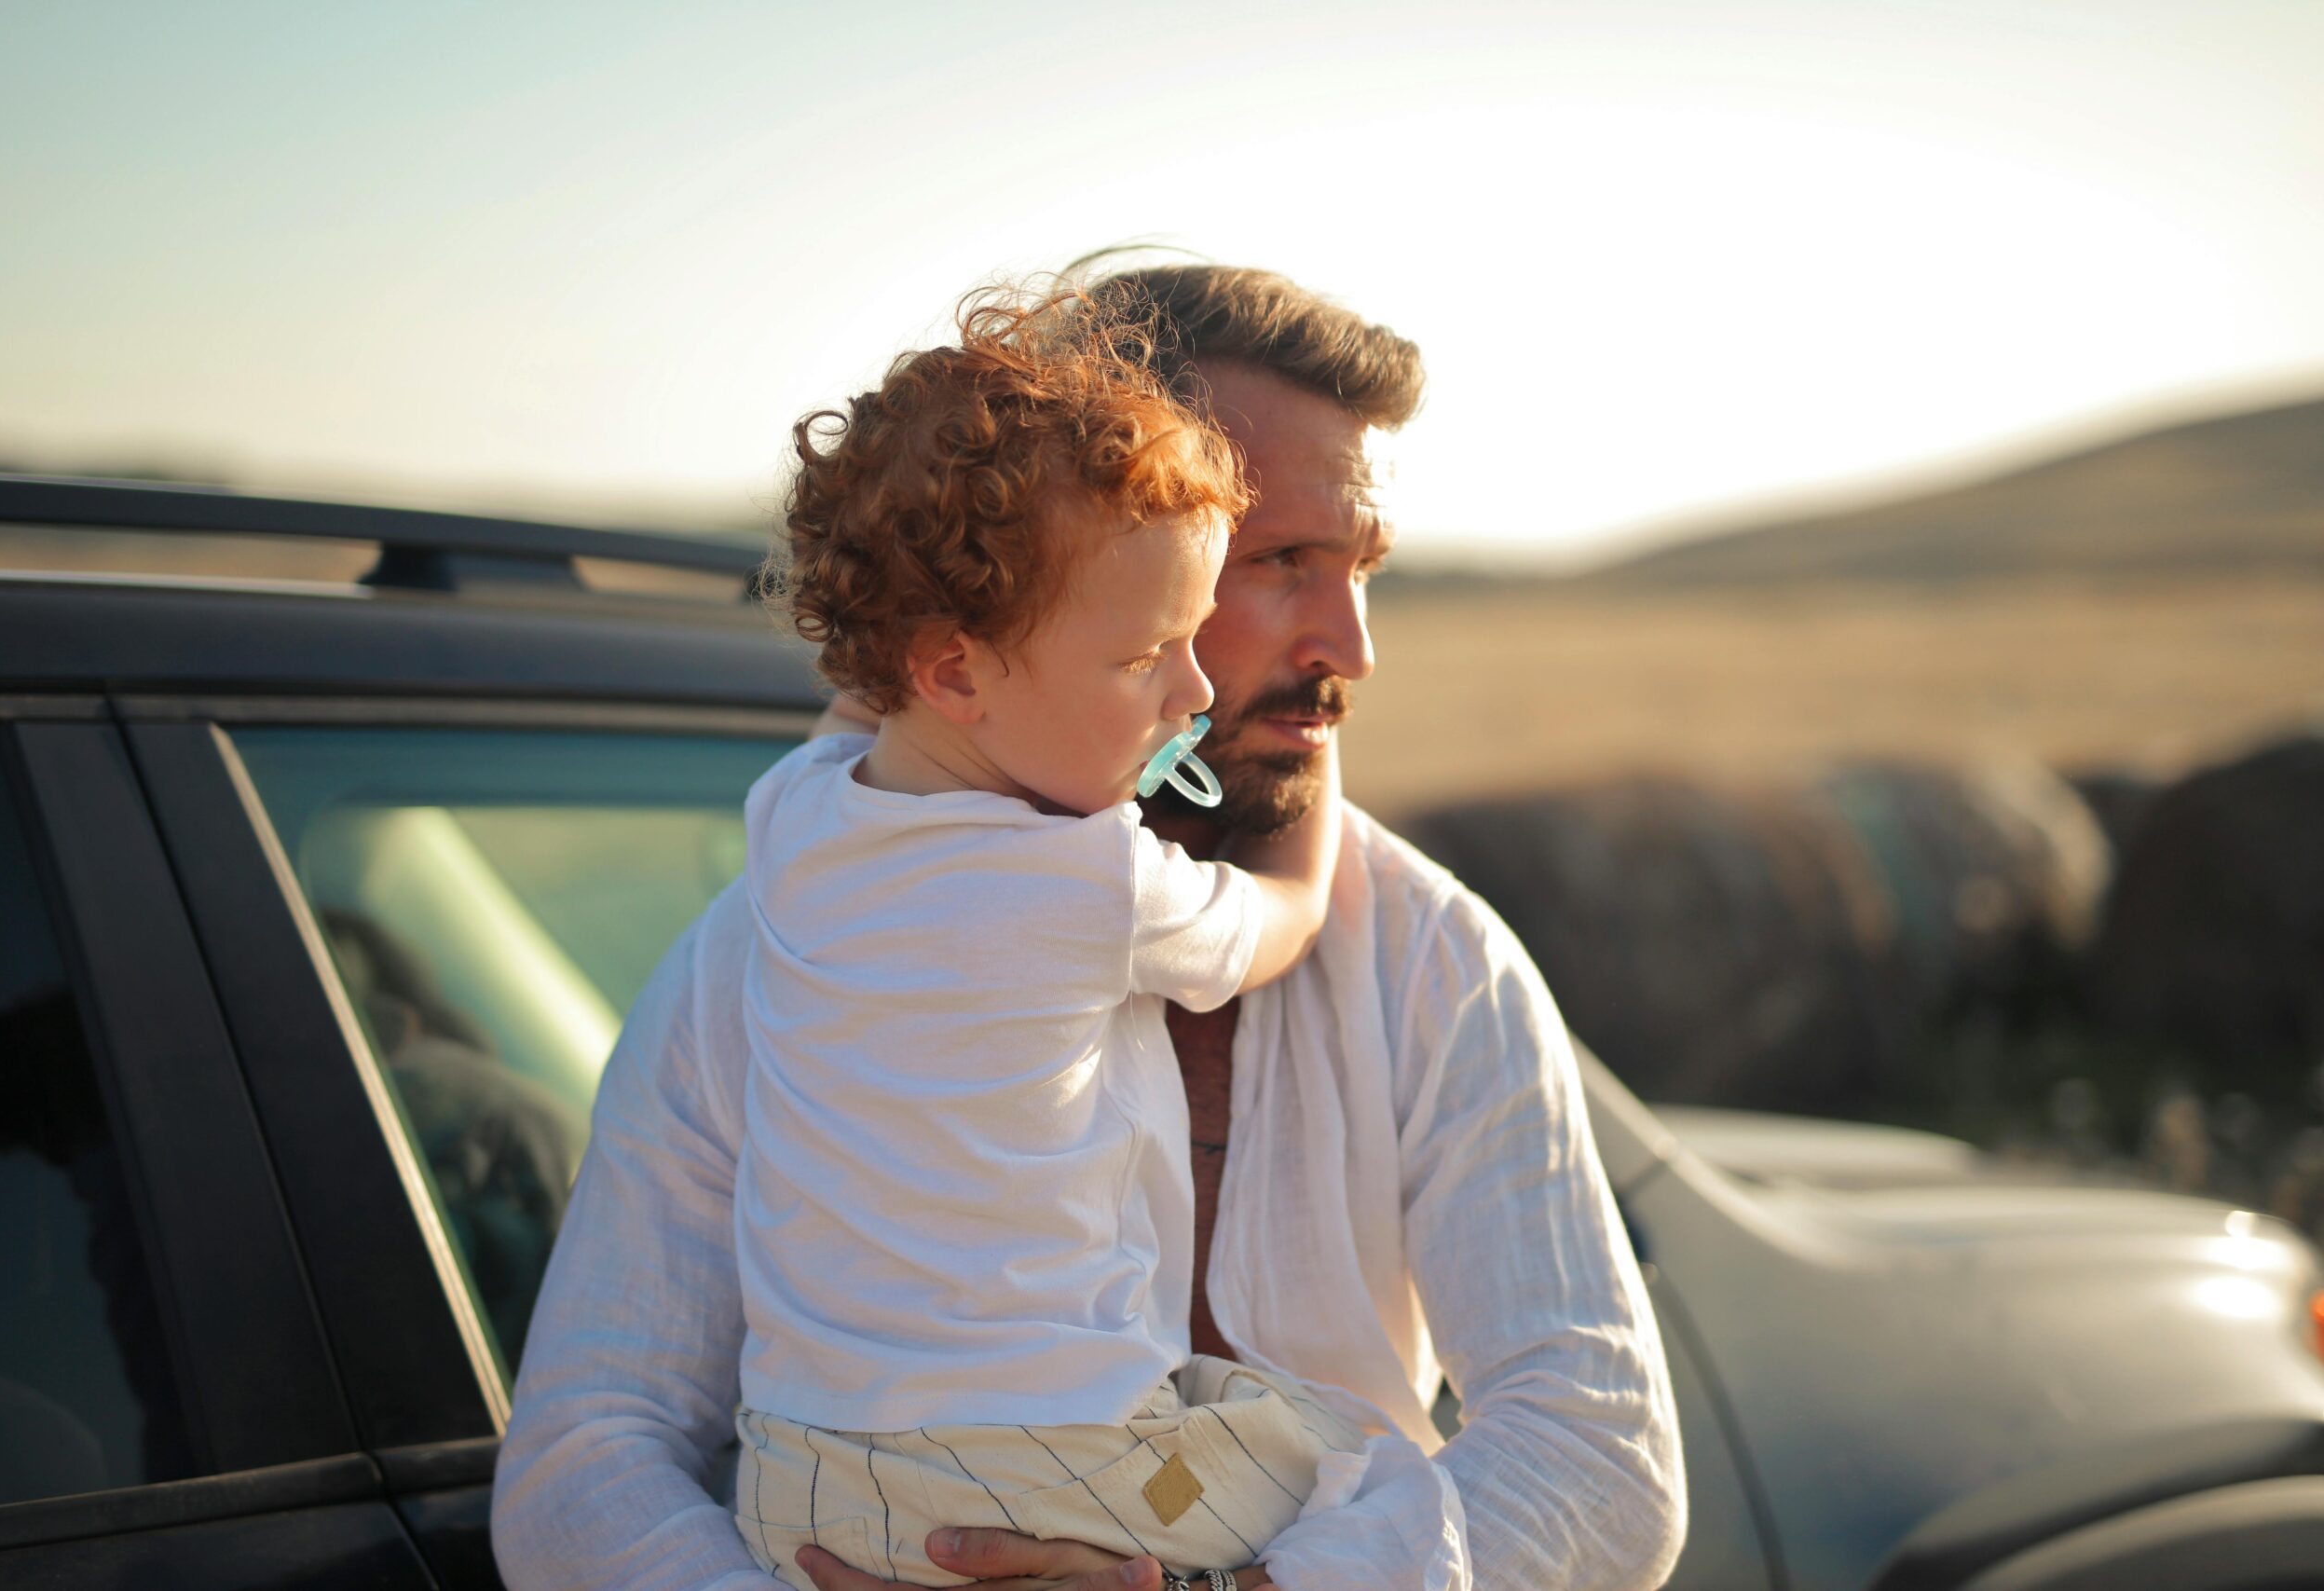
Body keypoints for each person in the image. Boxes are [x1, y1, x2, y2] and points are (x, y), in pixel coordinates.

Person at [493, 265, 1688, 1591]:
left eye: (1364, 571)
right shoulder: (763, 955)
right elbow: (579, 1458)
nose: (1350, 644)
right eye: (1279, 560)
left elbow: (1601, 1461)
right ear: (1074, 558)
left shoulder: (1430, 959)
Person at [723, 288, 1415, 1589]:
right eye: (1151, 652)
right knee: (1354, 1463)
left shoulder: (789, 822)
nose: (1193, 691)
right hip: (1062, 1473)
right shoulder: (1096, 881)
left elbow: (871, 734)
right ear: (955, 670)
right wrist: (1314, 816)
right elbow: (1276, 923)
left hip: (799, 1487)